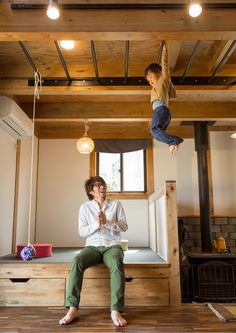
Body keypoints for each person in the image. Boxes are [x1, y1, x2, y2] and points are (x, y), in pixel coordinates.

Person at [59, 176, 128, 327]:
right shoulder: (85, 207)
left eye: (103, 184)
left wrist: (107, 222)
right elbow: (82, 231)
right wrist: (97, 224)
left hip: (112, 246)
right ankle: (72, 308)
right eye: (98, 185)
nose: (102, 187)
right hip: (92, 247)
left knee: (116, 263)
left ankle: (116, 310)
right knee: (77, 261)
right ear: (91, 191)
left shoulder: (116, 204)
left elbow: (124, 226)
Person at [145, 41, 183, 154]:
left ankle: (174, 141)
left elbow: (164, 65)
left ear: (159, 73)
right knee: (157, 134)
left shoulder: (163, 80)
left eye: (151, 77)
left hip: (161, 110)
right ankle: (173, 143)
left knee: (154, 130)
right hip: (162, 112)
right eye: (148, 80)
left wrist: (164, 51)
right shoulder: (156, 87)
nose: (150, 80)